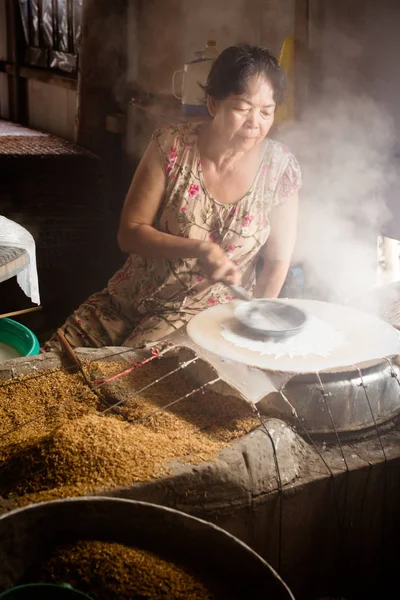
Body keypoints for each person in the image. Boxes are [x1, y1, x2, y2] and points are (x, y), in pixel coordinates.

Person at [46, 43, 302, 350]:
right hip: (127, 298)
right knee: (51, 362)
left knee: (123, 385)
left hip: (201, 318)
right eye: (242, 108)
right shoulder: (172, 145)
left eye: (266, 111)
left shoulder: (280, 169)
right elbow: (130, 233)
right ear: (212, 104)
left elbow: (276, 261)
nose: (254, 123)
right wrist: (200, 249)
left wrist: (255, 327)